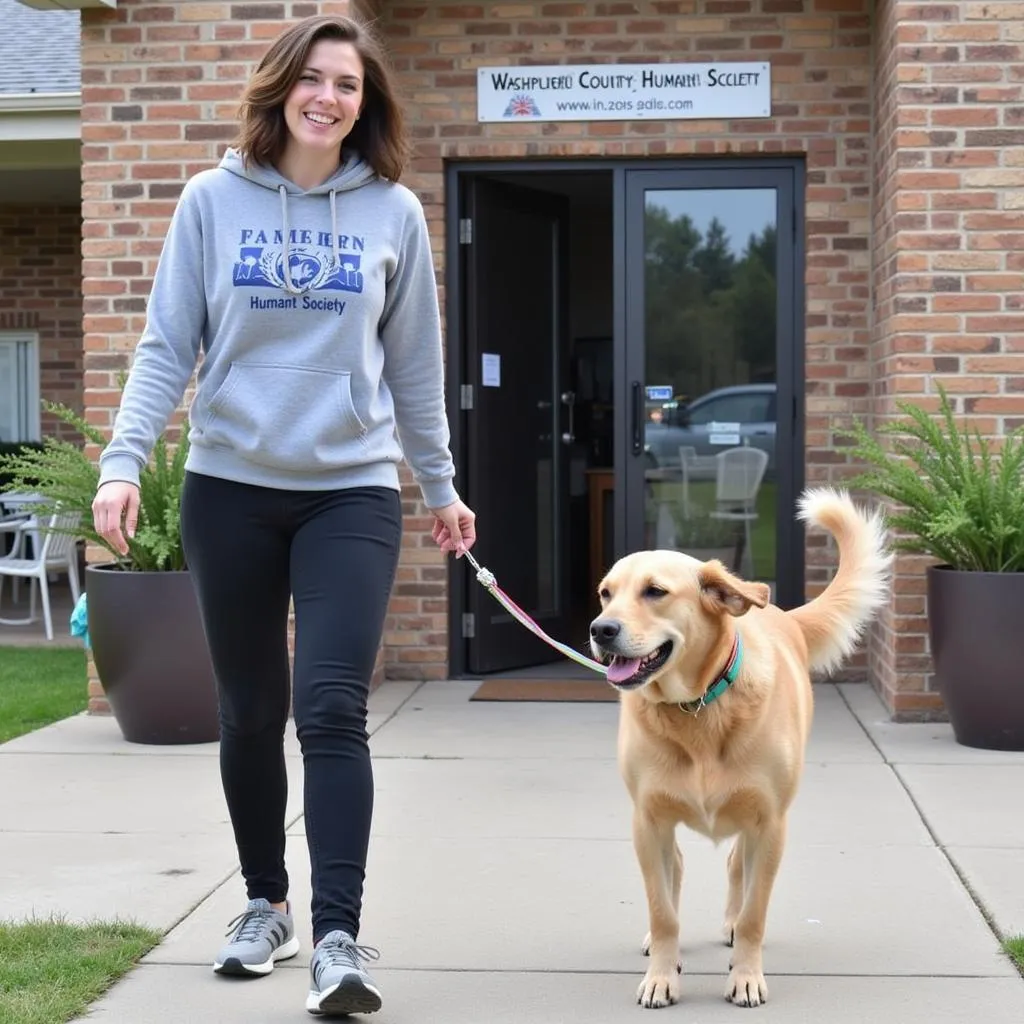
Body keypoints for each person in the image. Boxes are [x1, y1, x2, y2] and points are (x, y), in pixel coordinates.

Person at [91, 14, 475, 1017]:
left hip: (350, 488)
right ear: (280, 88)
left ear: (364, 102)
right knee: (250, 711)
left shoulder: (393, 214)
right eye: (312, 79)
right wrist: (122, 463)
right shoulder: (210, 202)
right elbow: (166, 346)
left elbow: (416, 367)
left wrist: (439, 486)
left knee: (331, 707)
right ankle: (265, 901)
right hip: (231, 487)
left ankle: (339, 937)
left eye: (346, 84)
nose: (328, 97)